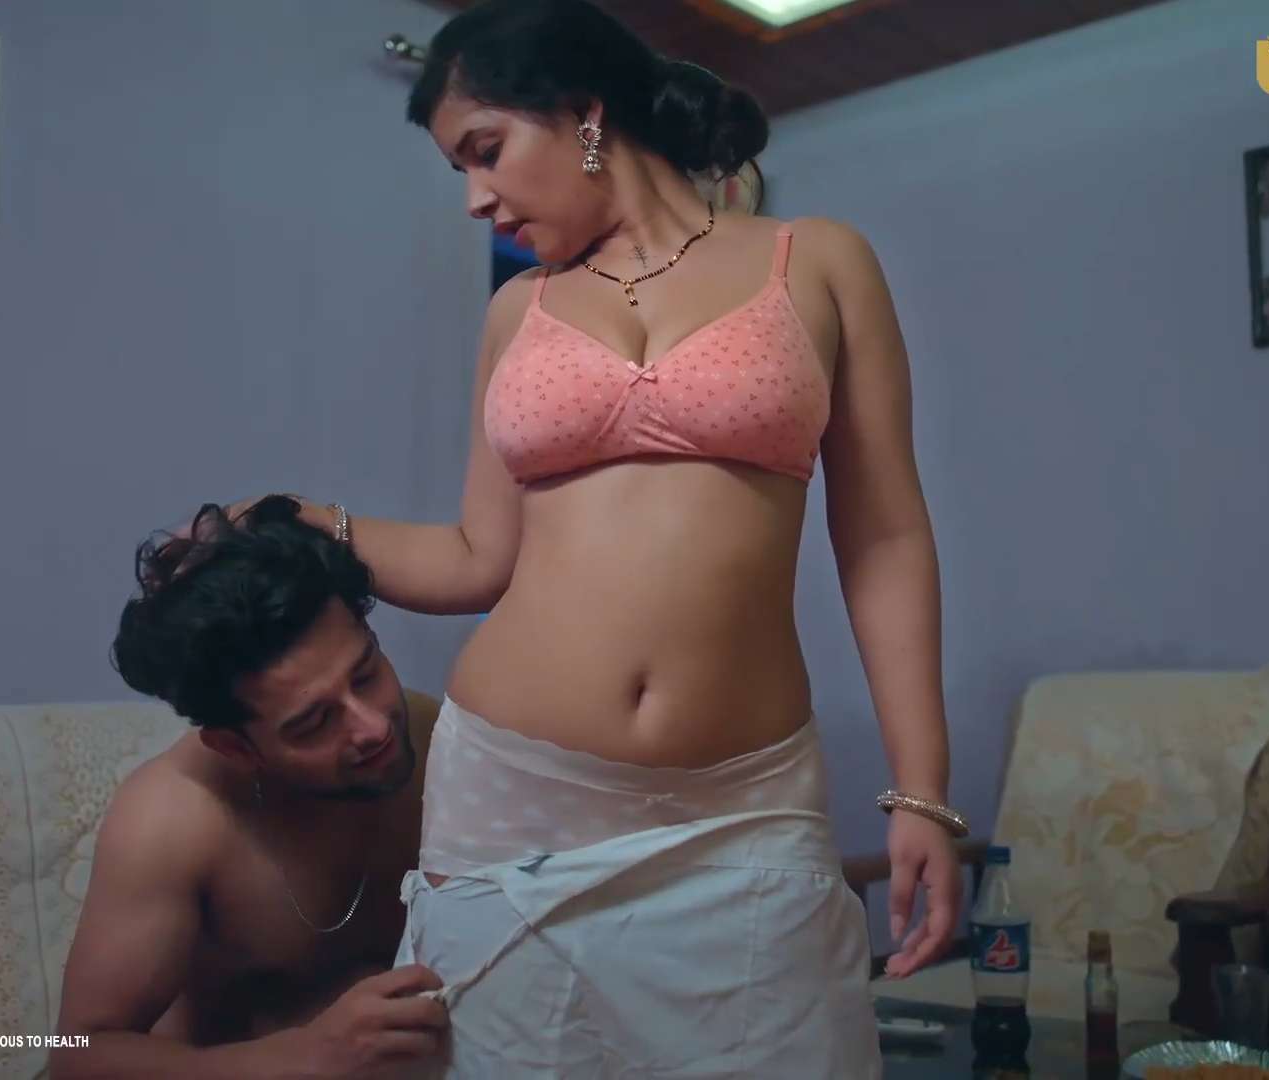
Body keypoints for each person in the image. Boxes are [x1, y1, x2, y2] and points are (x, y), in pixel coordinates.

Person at [222, 0, 969, 1072]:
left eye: (486, 152)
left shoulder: (817, 261)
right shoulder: (516, 312)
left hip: (745, 806)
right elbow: (478, 559)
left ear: (582, 112)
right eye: (459, 172)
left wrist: (922, 791)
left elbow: (886, 537)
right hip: (516, 800)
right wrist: (309, 519)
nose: (477, 199)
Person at [52, 498, 448, 1079]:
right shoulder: (173, 821)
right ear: (235, 748)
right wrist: (308, 1056)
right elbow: (79, 1056)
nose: (373, 727)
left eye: (366, 673)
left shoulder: (436, 739)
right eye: (314, 723)